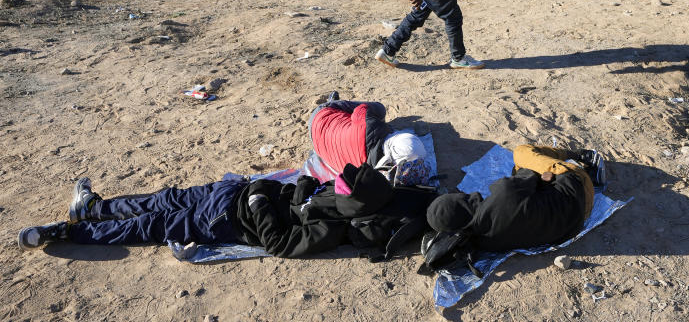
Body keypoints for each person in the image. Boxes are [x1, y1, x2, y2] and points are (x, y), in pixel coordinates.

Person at [18, 164, 438, 260]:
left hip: (228, 218)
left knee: (149, 226)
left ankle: (67, 233)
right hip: (230, 193)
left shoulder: (333, 226)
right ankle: (92, 207)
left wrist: (258, 201)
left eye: (344, 185)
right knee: (160, 199)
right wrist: (271, 187)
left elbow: (280, 244)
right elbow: (306, 187)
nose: (337, 183)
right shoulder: (341, 197)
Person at [421, 145, 605, 266]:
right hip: (579, 187)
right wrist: (522, 176)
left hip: (575, 223)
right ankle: (582, 157)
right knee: (522, 153)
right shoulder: (504, 193)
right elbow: (530, 173)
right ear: (459, 201)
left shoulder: (482, 243)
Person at [307, 92, 431, 185]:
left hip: (320, 118)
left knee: (379, 108)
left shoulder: (370, 127)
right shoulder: (368, 175)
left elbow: (361, 110)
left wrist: (376, 121)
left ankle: (332, 103)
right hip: (318, 144)